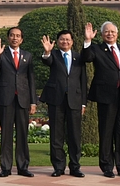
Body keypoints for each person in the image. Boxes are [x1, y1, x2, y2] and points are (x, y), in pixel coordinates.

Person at [83, 22, 120, 178]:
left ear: (117, 34)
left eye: (112, 31)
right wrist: (87, 41)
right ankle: (107, 167)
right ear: (101, 35)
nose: (110, 34)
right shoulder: (97, 49)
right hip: (106, 97)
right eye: (106, 32)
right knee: (106, 133)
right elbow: (87, 58)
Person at [40, 31, 87, 178]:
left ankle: (75, 167)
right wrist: (47, 52)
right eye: (62, 39)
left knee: (74, 135)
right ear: (58, 41)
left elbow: (83, 80)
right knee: (56, 136)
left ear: (72, 42)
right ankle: (58, 167)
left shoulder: (79, 57)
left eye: (67, 39)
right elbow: (46, 61)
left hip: (75, 100)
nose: (64, 42)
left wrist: (83, 103)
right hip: (56, 100)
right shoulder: (53, 55)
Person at [0, 27, 36, 177]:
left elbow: (31, 79)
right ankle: (5, 167)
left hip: (23, 99)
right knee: (6, 135)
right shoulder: (1, 54)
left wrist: (33, 102)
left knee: (23, 134)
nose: (15, 38)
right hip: (6, 98)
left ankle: (23, 166)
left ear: (21, 39)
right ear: (8, 38)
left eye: (18, 36)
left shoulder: (27, 56)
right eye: (12, 35)